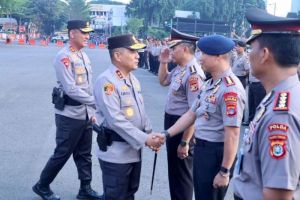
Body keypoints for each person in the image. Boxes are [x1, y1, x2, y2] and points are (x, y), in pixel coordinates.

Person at [161, 35, 246, 200]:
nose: (200, 58)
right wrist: (167, 134)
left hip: (216, 153)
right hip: (202, 149)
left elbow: (233, 133)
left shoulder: (230, 89)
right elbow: (191, 114)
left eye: (204, 54)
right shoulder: (210, 84)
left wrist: (225, 170)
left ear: (218, 57)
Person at [232, 8, 300, 200]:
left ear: (264, 54)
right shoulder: (282, 96)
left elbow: (278, 194)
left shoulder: (281, 113)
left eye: (251, 48)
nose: (249, 54)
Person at [32, 20, 102, 200]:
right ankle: (42, 185)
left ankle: (85, 189)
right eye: (84, 32)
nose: (88, 36)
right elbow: (70, 88)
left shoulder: (83, 55)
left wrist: (92, 112)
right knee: (63, 152)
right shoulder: (63, 56)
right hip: (69, 115)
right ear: (72, 34)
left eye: (88, 33)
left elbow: (87, 87)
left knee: (85, 154)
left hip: (84, 113)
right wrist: (97, 102)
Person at [93, 34, 164, 200]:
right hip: (116, 154)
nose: (138, 55)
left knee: (129, 194)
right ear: (117, 55)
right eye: (132, 51)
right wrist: (146, 139)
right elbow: (116, 121)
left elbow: (141, 112)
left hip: (133, 151)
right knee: (116, 196)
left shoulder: (133, 79)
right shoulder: (107, 82)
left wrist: (150, 134)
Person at [158, 28, 205, 200]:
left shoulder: (194, 74)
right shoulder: (180, 68)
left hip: (183, 127)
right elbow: (163, 81)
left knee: (182, 175)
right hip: (172, 123)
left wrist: (185, 141)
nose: (170, 52)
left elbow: (193, 112)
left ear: (184, 48)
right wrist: (163, 62)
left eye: (173, 48)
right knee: (174, 170)